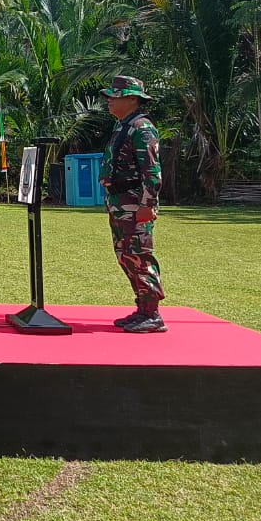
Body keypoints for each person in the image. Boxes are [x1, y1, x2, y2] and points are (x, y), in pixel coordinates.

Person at [99, 75, 166, 333]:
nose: (109, 101)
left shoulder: (141, 128)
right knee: (126, 255)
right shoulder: (122, 126)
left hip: (135, 203)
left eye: (114, 96)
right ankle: (142, 309)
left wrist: (148, 205)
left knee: (139, 255)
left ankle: (152, 313)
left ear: (131, 99)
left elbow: (152, 171)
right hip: (120, 202)